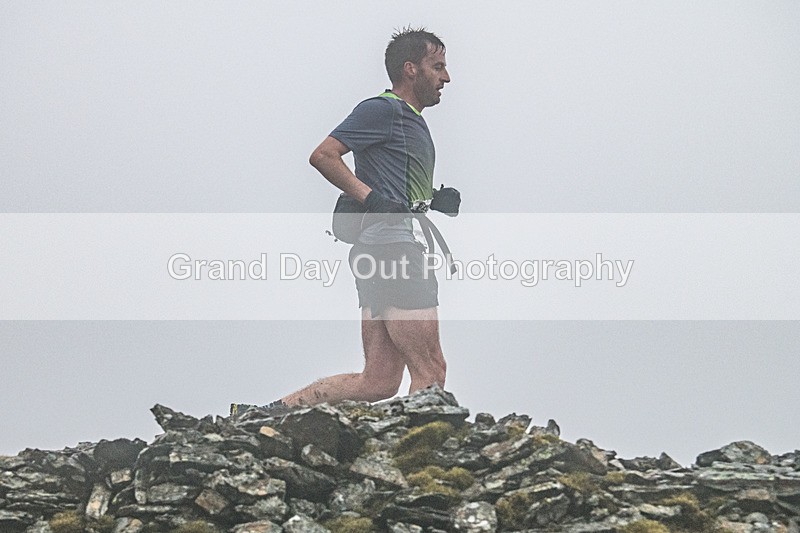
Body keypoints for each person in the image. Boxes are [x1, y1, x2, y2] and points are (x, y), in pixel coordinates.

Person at [231, 27, 457, 416]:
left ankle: (264, 415)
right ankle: (413, 458)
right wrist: (370, 198)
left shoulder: (410, 121)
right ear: (411, 70)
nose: (446, 78)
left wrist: (432, 198)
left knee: (379, 380)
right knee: (431, 370)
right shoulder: (384, 109)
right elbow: (323, 155)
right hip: (394, 251)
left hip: (380, 251)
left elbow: (393, 187)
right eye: (437, 67)